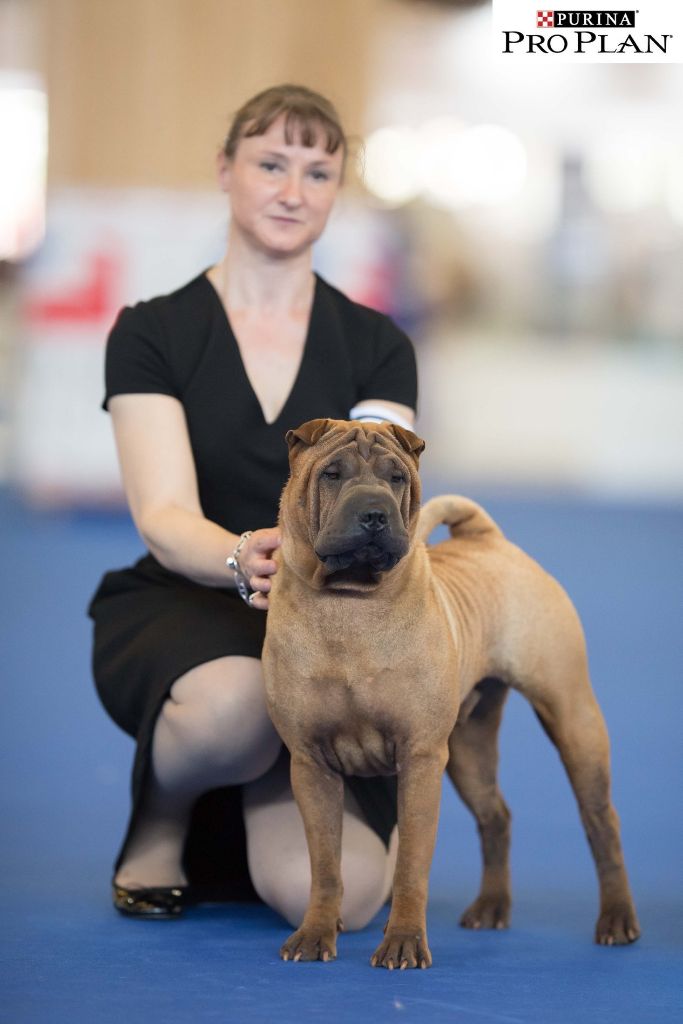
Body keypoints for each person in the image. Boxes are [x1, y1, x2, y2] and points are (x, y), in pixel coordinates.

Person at [88, 84, 418, 927]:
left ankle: (266, 802)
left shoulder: (379, 344)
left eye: (317, 172)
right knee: (238, 706)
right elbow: (163, 513)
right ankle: (162, 821)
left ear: (335, 192)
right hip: (193, 595)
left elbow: (385, 509)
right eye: (270, 164)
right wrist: (244, 557)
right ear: (226, 170)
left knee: (334, 907)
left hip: (339, 620)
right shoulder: (151, 332)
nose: (291, 190)